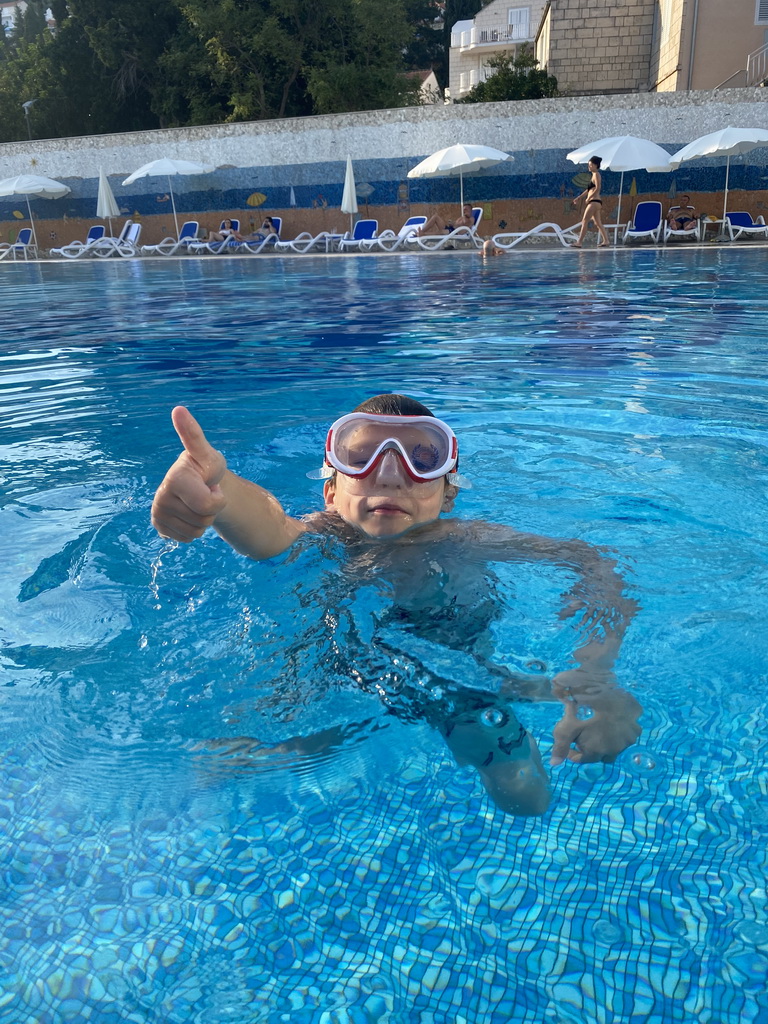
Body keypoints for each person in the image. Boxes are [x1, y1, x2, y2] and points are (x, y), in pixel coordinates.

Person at [151, 395, 642, 816]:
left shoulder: (466, 539)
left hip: (453, 662)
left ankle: (525, 697)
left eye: (421, 461)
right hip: (341, 651)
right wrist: (221, 492)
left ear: (447, 496)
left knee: (524, 797)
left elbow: (587, 559)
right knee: (266, 729)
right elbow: (270, 529)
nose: (389, 475)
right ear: (330, 492)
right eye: (359, 459)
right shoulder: (325, 533)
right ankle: (305, 749)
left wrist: (596, 674)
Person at [571, 156, 610, 248]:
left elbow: (598, 188)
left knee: (584, 221)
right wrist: (579, 197)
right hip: (595, 202)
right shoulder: (593, 175)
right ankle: (606, 240)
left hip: (594, 201)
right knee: (598, 223)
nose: (589, 167)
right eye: (589, 165)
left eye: (591, 165)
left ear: (596, 165)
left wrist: (589, 198)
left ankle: (579, 242)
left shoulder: (596, 174)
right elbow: (589, 190)